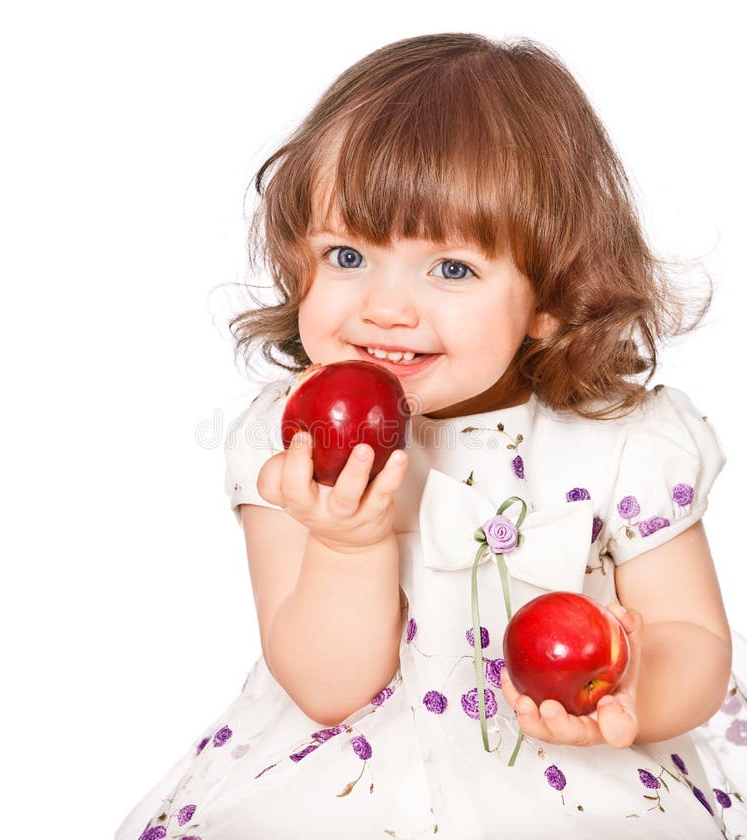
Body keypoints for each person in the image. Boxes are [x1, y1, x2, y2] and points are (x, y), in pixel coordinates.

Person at [116, 33, 747, 839]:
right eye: (347, 254)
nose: (385, 306)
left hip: (574, 775)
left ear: (554, 292)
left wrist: (633, 693)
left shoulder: (625, 441)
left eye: (451, 269)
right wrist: (348, 543)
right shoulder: (292, 441)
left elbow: (692, 637)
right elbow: (327, 687)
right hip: (353, 778)